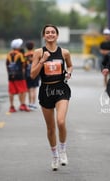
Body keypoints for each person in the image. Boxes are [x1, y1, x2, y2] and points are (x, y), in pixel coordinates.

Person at [30, 24, 73, 171]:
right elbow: (32, 75)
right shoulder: (38, 52)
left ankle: (62, 151)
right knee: (50, 128)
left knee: (60, 121)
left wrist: (69, 73)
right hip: (46, 90)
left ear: (57, 35)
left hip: (61, 88)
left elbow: (70, 66)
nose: (50, 34)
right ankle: (54, 156)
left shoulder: (64, 52)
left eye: (53, 32)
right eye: (47, 32)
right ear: (44, 36)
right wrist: (43, 60)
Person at [6, 38, 30, 112]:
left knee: (11, 91)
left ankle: (11, 106)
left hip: (11, 75)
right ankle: (22, 105)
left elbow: (7, 65)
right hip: (20, 75)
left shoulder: (8, 54)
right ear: (18, 46)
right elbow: (24, 64)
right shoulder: (20, 54)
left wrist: (10, 74)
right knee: (22, 90)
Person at [24, 41, 40, 110]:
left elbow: (23, 65)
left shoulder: (25, 55)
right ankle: (33, 104)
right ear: (33, 46)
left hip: (27, 73)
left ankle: (29, 103)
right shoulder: (35, 54)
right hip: (35, 72)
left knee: (29, 89)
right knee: (34, 89)